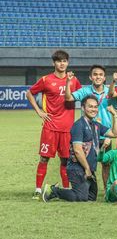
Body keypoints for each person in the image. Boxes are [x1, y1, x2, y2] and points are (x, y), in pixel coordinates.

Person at [41, 96, 117, 202]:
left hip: (89, 169)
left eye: (95, 107)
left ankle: (76, 189)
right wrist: (87, 169)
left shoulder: (96, 125)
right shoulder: (79, 125)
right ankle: (54, 191)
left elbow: (115, 133)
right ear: (83, 108)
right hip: (77, 168)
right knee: (80, 197)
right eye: (90, 106)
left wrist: (114, 116)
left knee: (91, 198)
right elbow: (77, 150)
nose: (93, 109)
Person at [28, 50, 81, 196]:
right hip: (50, 127)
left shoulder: (73, 80)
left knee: (65, 160)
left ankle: (65, 189)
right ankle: (38, 189)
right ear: (54, 63)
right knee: (44, 158)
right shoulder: (46, 80)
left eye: (64, 61)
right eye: (59, 61)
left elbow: (82, 96)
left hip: (67, 128)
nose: (62, 63)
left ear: (68, 62)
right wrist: (39, 111)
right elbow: (29, 93)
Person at [65, 65, 113, 187]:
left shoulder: (110, 92)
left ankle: (107, 189)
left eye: (101, 75)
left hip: (105, 133)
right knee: (86, 162)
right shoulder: (85, 91)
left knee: (106, 164)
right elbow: (69, 97)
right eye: (95, 74)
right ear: (90, 77)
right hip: (89, 135)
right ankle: (84, 187)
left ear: (104, 77)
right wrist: (68, 82)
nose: (98, 77)